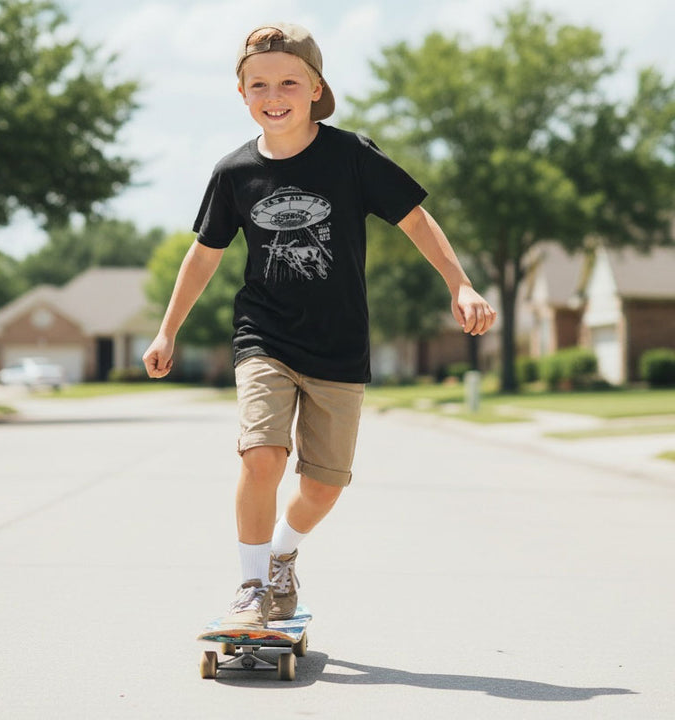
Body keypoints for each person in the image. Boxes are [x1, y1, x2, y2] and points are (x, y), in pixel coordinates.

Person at [142, 22, 496, 630]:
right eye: (259, 84)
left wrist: (459, 282)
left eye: (287, 81)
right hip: (264, 335)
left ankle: (281, 556)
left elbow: (414, 219)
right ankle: (252, 584)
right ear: (242, 94)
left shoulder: (351, 156)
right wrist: (167, 328)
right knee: (261, 455)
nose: (272, 94)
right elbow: (203, 255)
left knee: (324, 486)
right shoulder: (233, 174)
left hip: (338, 344)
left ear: (314, 89)